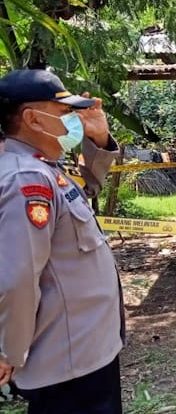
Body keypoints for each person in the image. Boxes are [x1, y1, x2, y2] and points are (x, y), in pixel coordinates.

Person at [0, 69, 125, 413]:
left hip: (85, 350)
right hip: (67, 363)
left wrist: (99, 139)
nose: (73, 120)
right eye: (64, 112)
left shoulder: (43, 167)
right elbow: (17, 278)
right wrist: (9, 352)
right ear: (32, 119)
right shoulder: (26, 178)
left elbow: (86, 191)